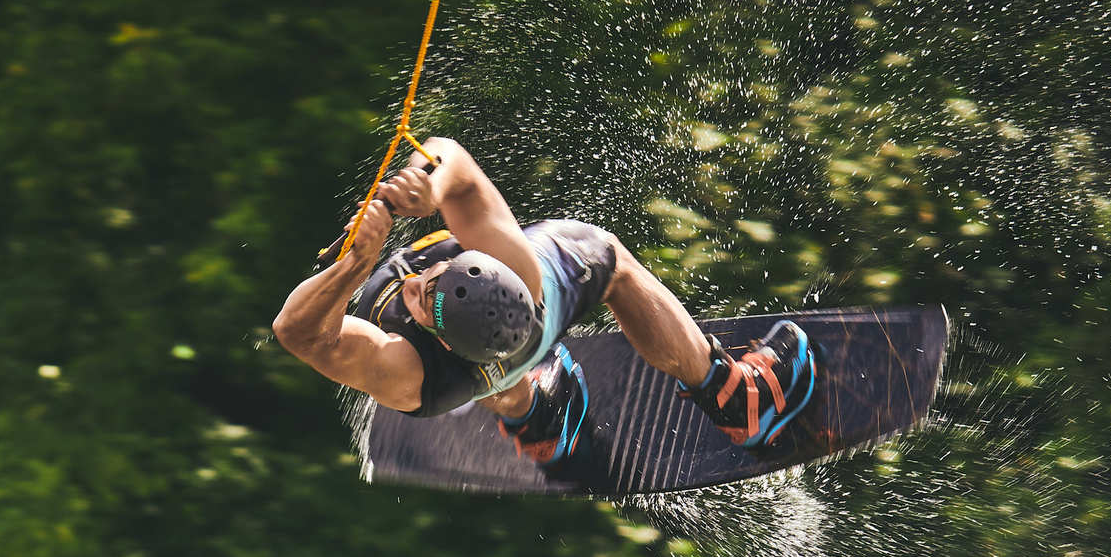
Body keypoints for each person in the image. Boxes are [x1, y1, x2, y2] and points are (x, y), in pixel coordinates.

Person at [271, 137, 818, 466]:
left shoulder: (419, 357)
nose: (413, 283)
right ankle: (729, 391)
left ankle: (535, 416)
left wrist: (355, 266)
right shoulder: (501, 284)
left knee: (506, 368)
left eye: (423, 293)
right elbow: (451, 158)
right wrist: (426, 184)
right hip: (515, 332)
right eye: (427, 282)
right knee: (605, 258)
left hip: (500, 348)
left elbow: (299, 333)